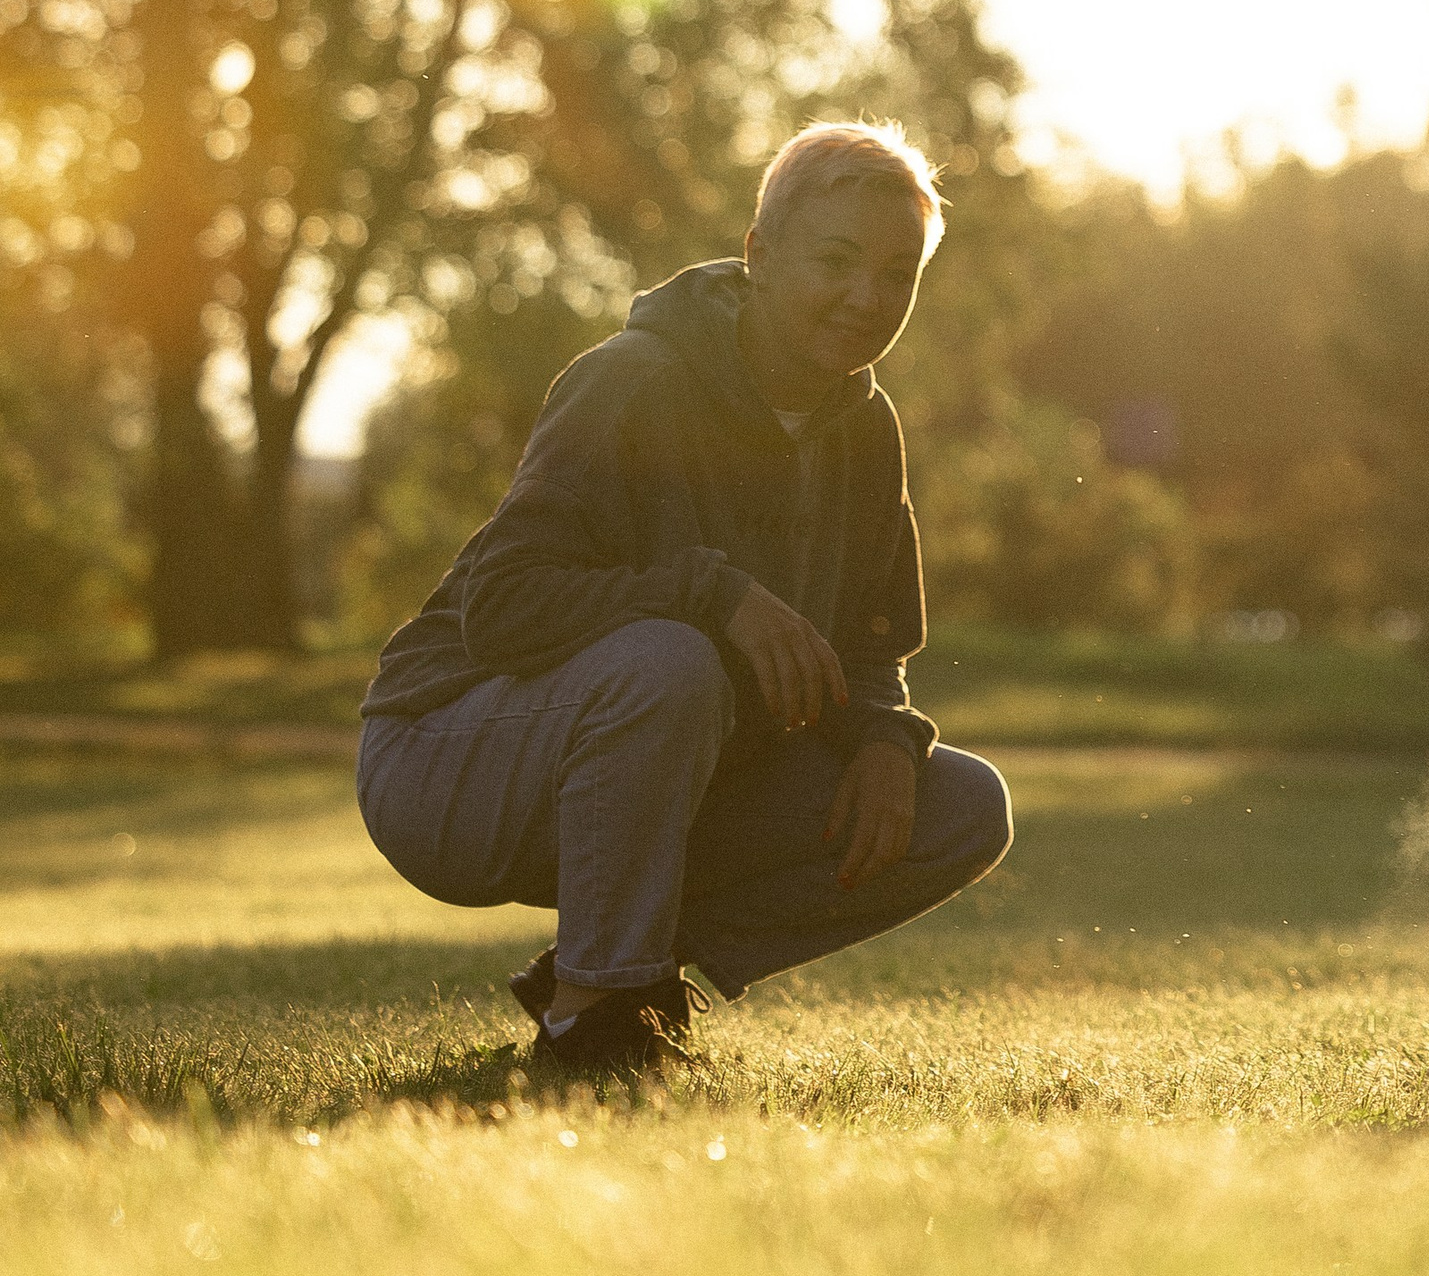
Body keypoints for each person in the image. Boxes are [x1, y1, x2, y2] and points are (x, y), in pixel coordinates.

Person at [355, 120, 1011, 1077]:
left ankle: (611, 969)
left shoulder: (865, 426)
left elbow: (873, 642)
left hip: (665, 764)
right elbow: (501, 606)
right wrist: (713, 592)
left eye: (897, 274)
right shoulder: (635, 379)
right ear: (759, 254)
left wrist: (881, 734)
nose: (867, 297)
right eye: (836, 260)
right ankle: (592, 1022)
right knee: (672, 661)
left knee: (961, 806)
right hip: (446, 757)